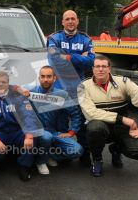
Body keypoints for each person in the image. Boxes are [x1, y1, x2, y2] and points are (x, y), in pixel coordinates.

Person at [77, 55, 138, 177]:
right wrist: (122, 118)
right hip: (101, 126)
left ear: (109, 68)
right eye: (97, 66)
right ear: (93, 69)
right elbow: (91, 113)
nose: (100, 69)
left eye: (104, 66)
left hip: (121, 128)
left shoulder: (123, 82)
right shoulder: (83, 86)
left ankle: (116, 149)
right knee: (95, 127)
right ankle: (97, 159)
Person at [46, 9, 95, 166]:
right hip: (59, 87)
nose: (70, 21)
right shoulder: (54, 38)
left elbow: (90, 62)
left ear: (77, 21)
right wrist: (80, 56)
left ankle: (85, 155)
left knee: (80, 121)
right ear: (62, 21)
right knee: (59, 123)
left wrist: (67, 56)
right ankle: (61, 154)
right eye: (67, 19)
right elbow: (55, 59)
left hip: (78, 87)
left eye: (73, 18)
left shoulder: (85, 38)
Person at [0, 71, 44, 181]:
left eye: (3, 82)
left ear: (8, 83)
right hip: (0, 134)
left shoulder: (18, 98)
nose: (0, 84)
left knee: (33, 137)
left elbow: (29, 117)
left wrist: (29, 135)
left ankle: (24, 166)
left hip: (17, 132)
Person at [26, 66, 84, 174]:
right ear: (39, 78)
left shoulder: (62, 94)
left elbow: (75, 113)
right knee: (46, 137)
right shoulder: (30, 93)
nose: (45, 79)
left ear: (54, 78)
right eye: (42, 76)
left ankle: (48, 155)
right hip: (39, 133)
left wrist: (72, 131)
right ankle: (40, 161)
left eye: (49, 76)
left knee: (77, 150)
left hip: (57, 133)